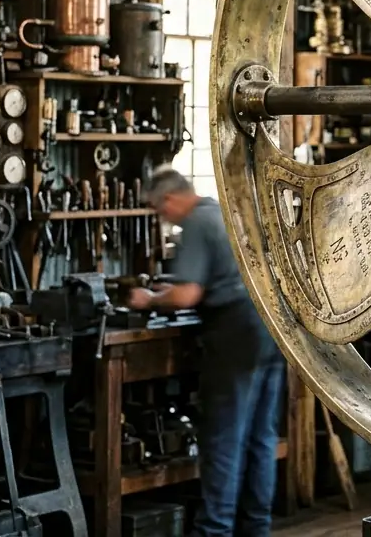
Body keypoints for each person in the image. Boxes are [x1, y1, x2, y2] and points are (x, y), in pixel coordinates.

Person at [128, 167, 283, 537]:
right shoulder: (224, 211)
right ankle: (256, 528)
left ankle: (214, 531)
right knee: (261, 438)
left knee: (224, 440)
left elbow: (186, 294)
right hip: (271, 327)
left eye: (158, 210)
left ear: (169, 200)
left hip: (235, 335)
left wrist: (148, 299)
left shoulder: (196, 222)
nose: (162, 218)